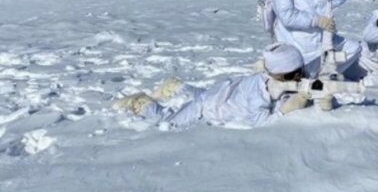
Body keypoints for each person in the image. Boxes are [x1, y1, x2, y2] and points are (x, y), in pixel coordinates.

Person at [112, 44, 311, 129]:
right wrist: (285, 111)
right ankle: (142, 103)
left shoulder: (271, 80)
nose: (300, 77)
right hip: (208, 107)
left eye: (300, 71)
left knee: (204, 95)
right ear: (278, 73)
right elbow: (260, 124)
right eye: (294, 74)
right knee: (167, 122)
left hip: (220, 93)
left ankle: (176, 87)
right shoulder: (258, 94)